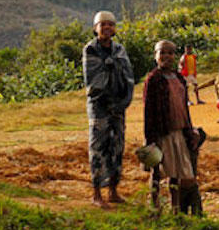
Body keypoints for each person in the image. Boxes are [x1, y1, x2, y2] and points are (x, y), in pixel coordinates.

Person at [83, 11, 134, 208]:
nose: (107, 28)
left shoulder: (119, 49)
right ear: (95, 28)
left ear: (114, 29)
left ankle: (113, 190)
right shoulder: (90, 49)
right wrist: (109, 68)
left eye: (110, 24)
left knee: (117, 146)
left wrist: (124, 100)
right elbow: (93, 79)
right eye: (102, 24)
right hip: (99, 107)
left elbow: (128, 75)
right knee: (98, 147)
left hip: (118, 107)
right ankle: (96, 193)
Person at [144, 40, 200, 213]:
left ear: (175, 56)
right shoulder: (153, 79)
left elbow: (184, 108)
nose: (166, 56)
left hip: (179, 130)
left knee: (176, 173)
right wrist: (150, 138)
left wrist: (189, 130)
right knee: (157, 171)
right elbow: (148, 111)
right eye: (162, 52)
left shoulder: (179, 78)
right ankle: (154, 205)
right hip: (162, 132)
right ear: (155, 56)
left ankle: (175, 207)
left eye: (169, 53)